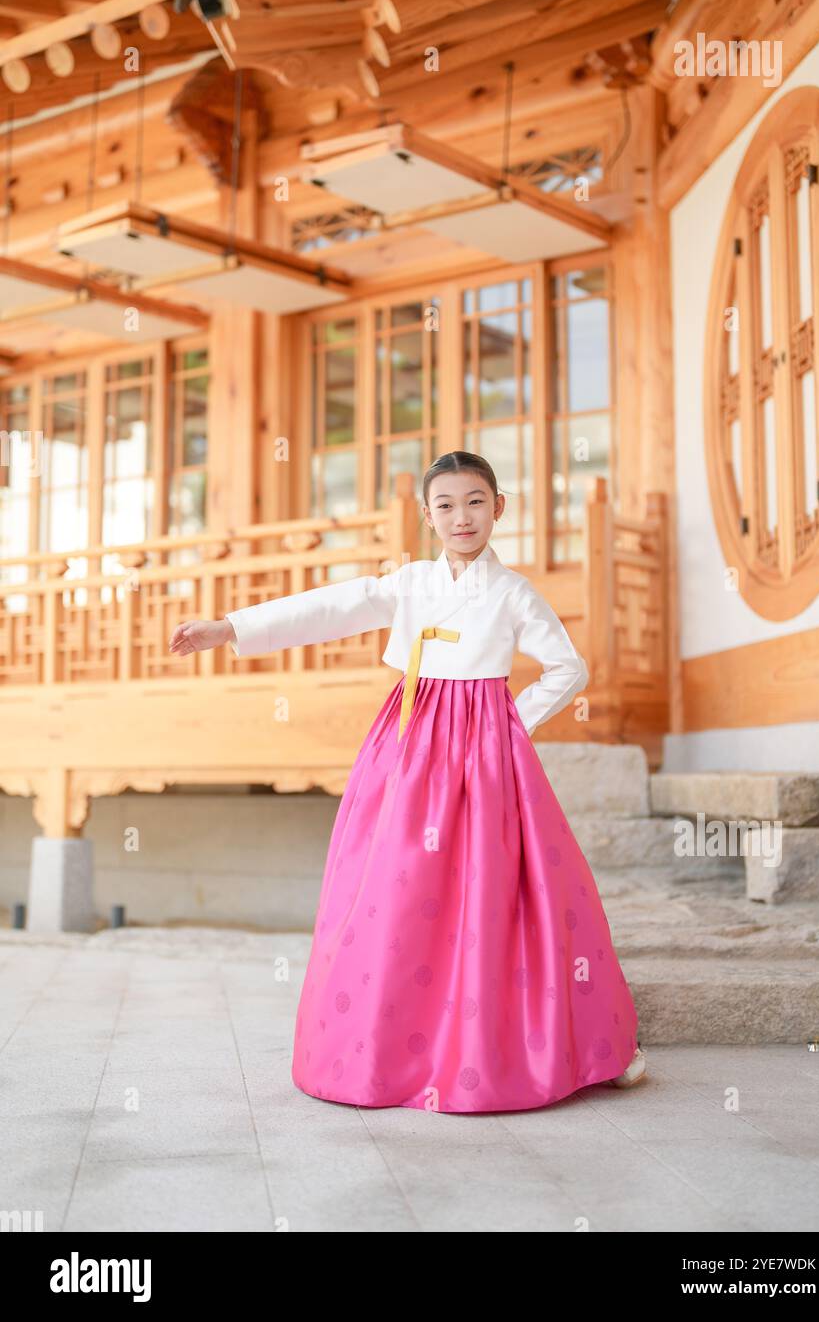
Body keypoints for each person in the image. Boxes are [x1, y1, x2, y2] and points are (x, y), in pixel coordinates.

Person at [169, 450, 646, 1111]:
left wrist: (509, 726)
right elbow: (335, 605)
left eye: (476, 501)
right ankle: (392, 1050)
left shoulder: (512, 593)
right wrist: (230, 628)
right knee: (393, 884)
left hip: (482, 752)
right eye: (446, 505)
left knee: (498, 886)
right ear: (428, 515)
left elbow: (568, 667)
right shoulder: (413, 582)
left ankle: (562, 1045)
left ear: (499, 507)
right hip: (409, 745)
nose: (462, 516)